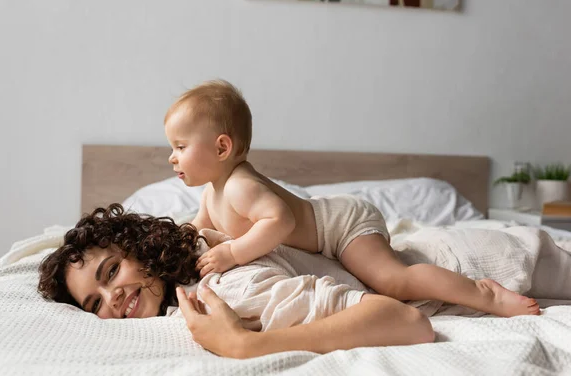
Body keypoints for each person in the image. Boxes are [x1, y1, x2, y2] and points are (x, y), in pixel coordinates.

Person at [163, 79, 540, 318]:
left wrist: (232, 253)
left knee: (393, 282)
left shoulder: (239, 185)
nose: (172, 157)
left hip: (344, 226)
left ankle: (484, 294)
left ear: (222, 147)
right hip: (335, 225)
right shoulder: (214, 192)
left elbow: (281, 221)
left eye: (180, 146)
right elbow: (198, 229)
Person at [37, 204, 434, 358]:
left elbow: (407, 322)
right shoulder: (188, 252)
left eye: (110, 272)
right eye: (94, 304)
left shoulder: (226, 289)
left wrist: (246, 344)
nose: (113, 297)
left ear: (137, 249)